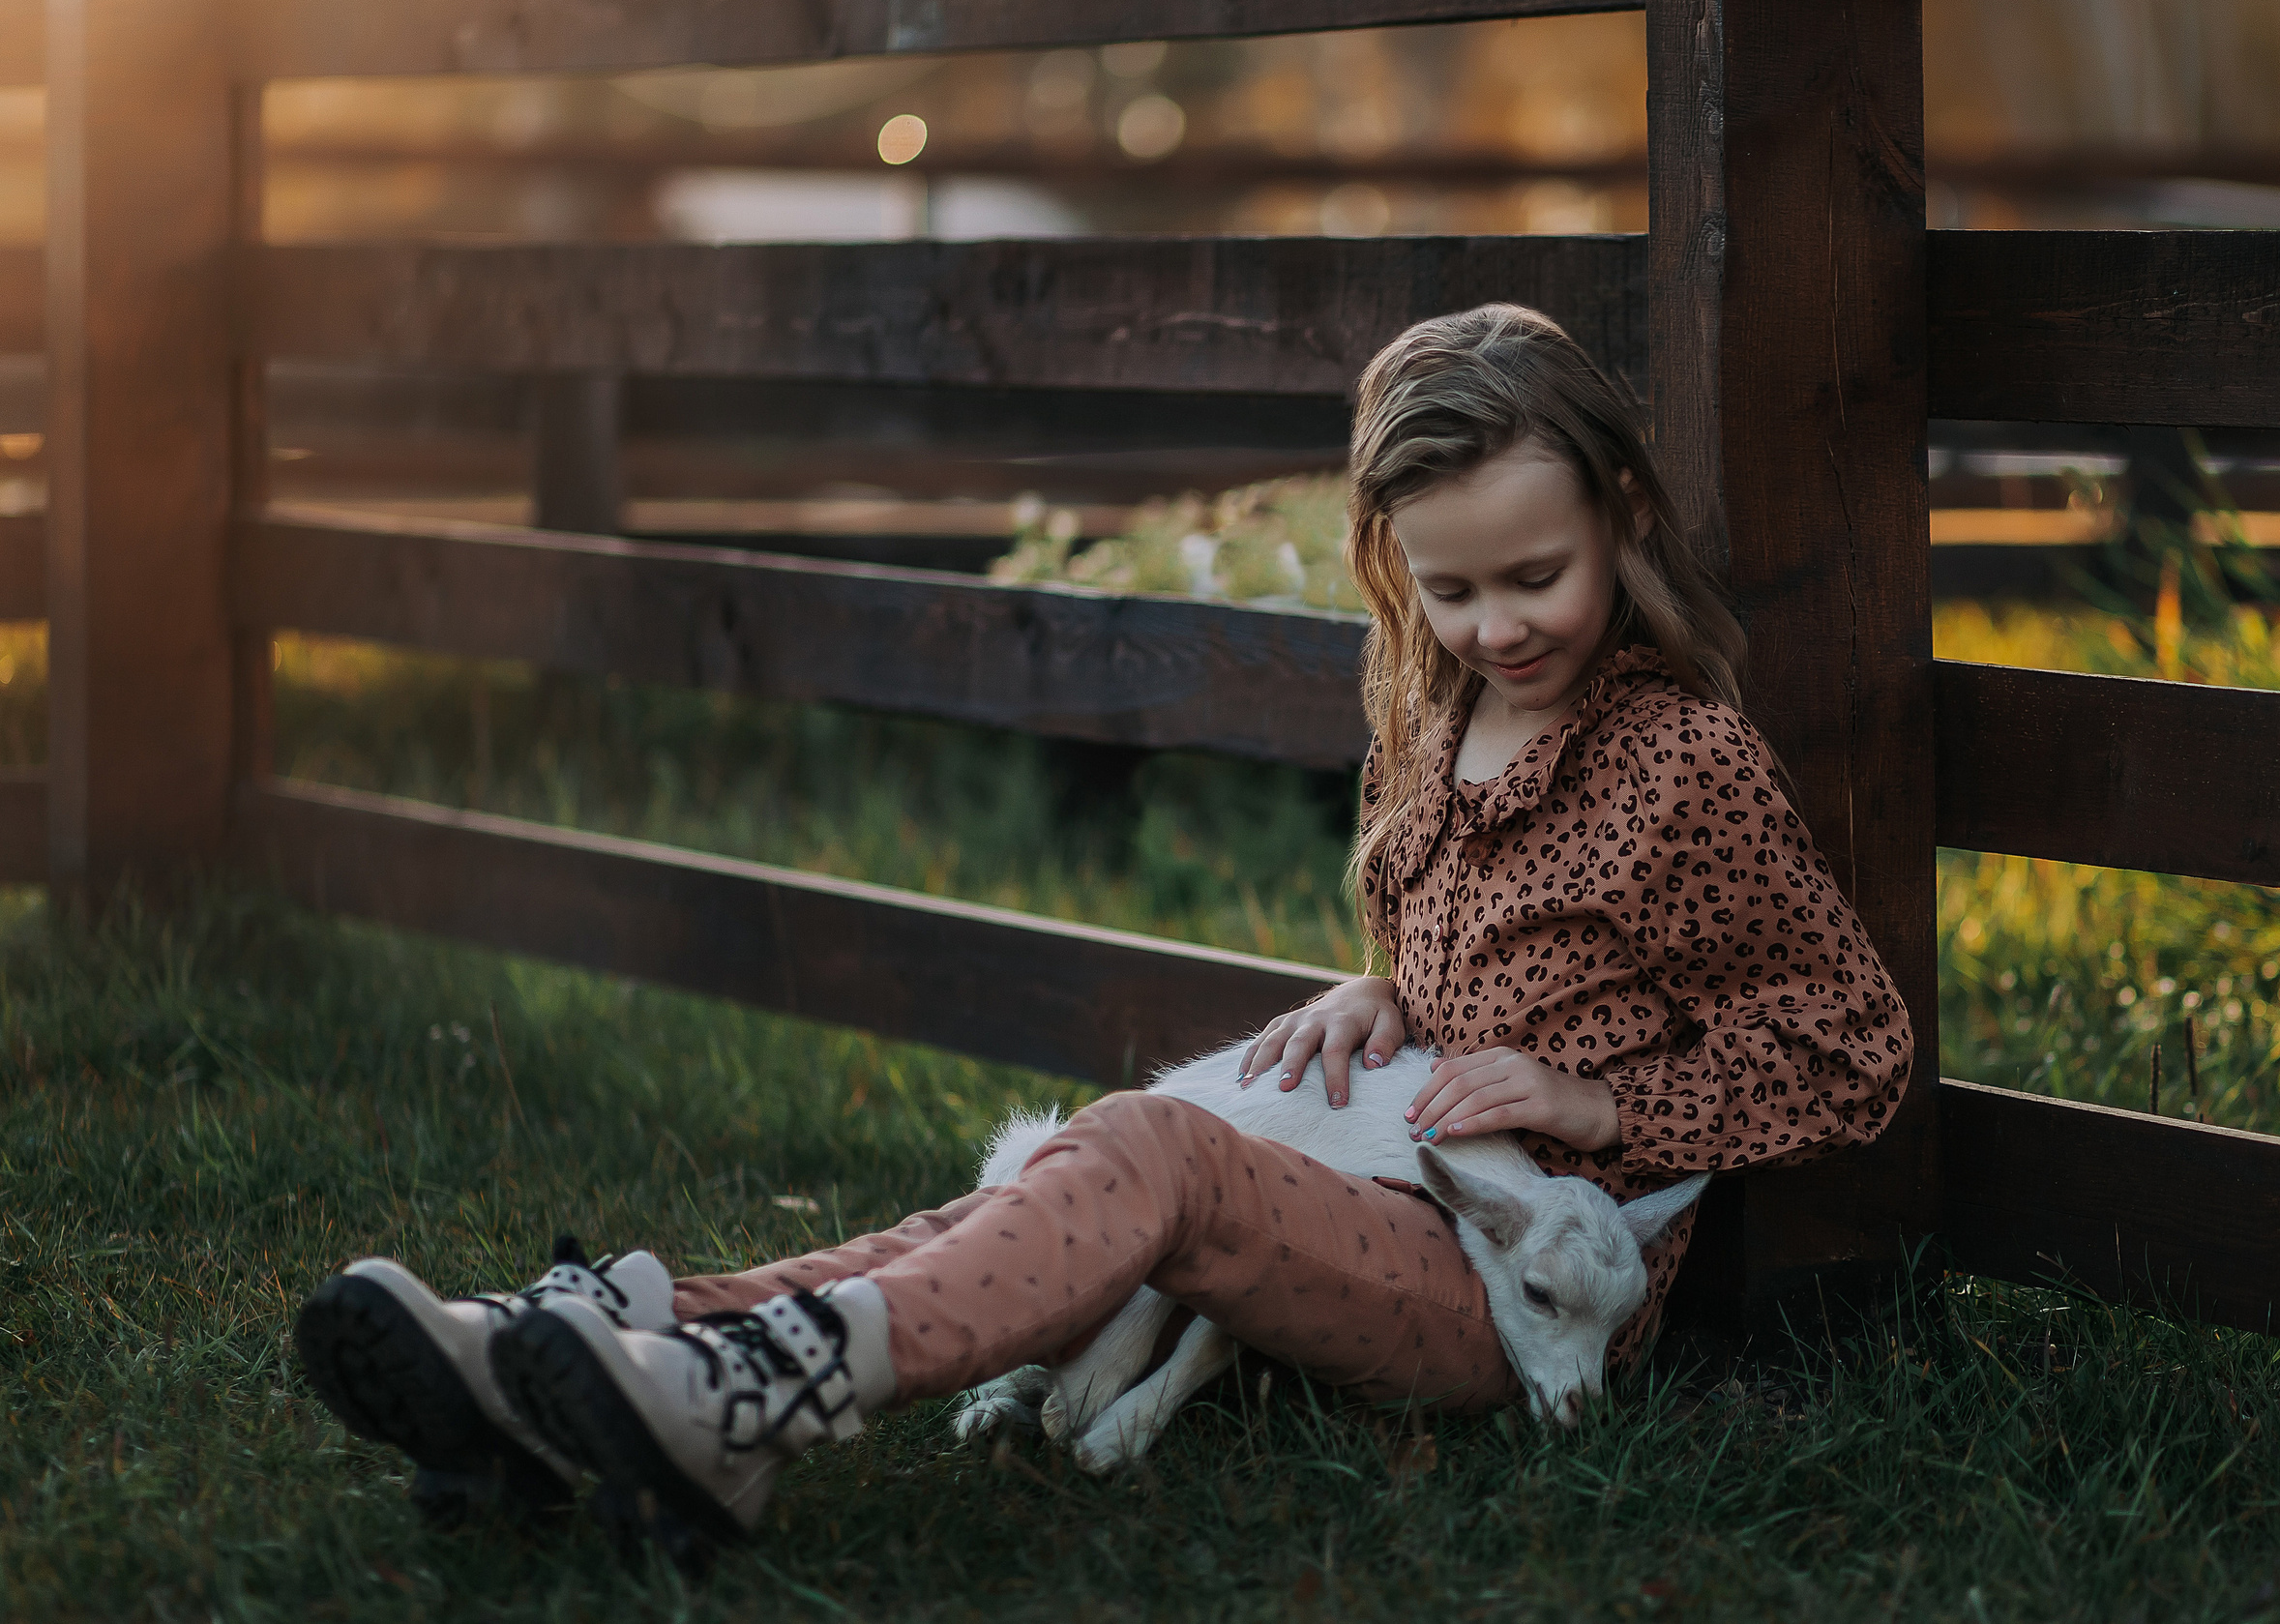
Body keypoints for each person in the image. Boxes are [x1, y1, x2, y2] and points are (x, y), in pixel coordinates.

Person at [294, 303, 1913, 1555]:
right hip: (1381, 1179)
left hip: (1516, 1284)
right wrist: (1385, 990)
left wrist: (1598, 1105)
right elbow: (1499, 959)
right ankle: (605, 1347)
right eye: (1452, 591)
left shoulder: (1679, 759)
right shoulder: (1441, 730)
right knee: (1065, 1182)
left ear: (1624, 510)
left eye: (1536, 577)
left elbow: (1854, 1045)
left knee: (1149, 1155)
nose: (1499, 630)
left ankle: (740, 1396)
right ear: (1393, 569)